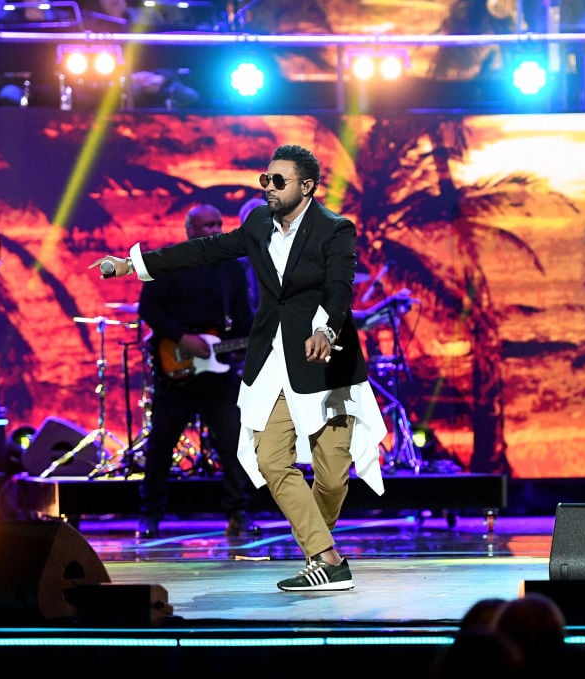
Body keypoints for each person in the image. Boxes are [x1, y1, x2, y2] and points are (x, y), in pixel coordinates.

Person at [92, 144, 387, 591]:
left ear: (306, 187)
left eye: (278, 180)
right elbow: (202, 250)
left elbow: (339, 287)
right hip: (272, 364)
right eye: (264, 179)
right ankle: (327, 559)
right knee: (271, 460)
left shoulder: (335, 229)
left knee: (330, 476)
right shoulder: (255, 226)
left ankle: (319, 547)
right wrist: (131, 264)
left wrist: (325, 329)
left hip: (325, 366)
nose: (267, 187)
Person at [134, 204, 258, 539]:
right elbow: (149, 308)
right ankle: (151, 514)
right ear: (190, 229)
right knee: (162, 443)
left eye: (219, 224)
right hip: (175, 369)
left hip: (218, 371)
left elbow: (244, 315)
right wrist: (181, 338)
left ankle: (237, 512)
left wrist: (250, 341)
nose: (216, 230)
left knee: (233, 441)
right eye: (208, 225)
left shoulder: (231, 268)